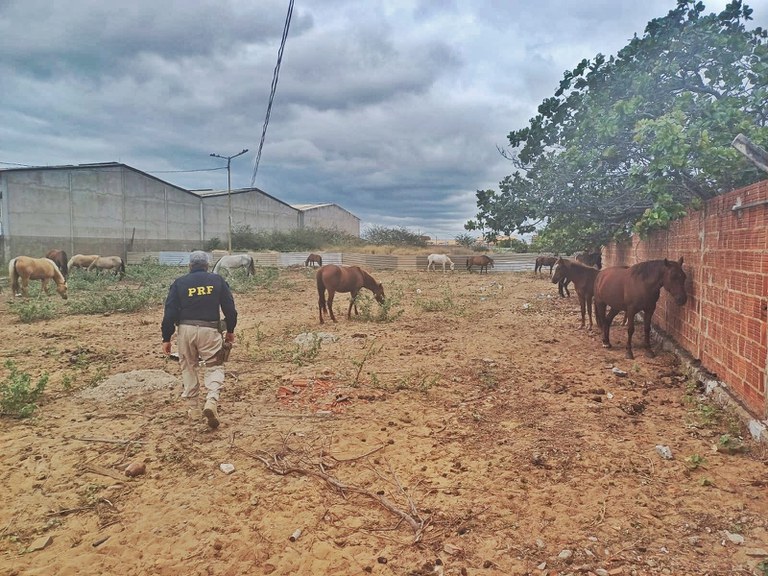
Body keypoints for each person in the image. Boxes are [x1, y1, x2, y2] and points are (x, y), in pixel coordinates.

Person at [161, 251, 237, 429]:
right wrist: (230, 330)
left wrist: (166, 337)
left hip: (185, 330)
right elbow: (230, 309)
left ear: (190, 266)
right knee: (215, 366)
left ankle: (194, 409)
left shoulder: (179, 283)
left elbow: (170, 312)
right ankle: (211, 400)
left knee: (188, 366)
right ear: (207, 265)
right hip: (209, 330)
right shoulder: (217, 281)